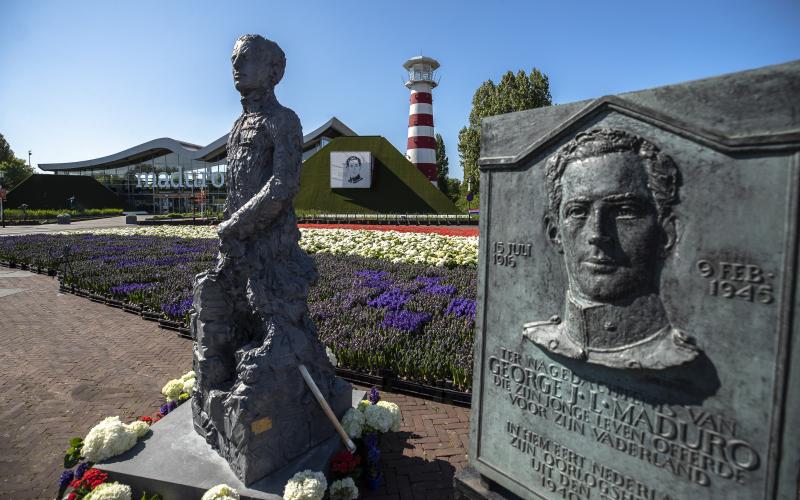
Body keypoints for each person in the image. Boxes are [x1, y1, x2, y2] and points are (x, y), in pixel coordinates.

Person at [523, 128, 700, 370]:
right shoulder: (536, 337)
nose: (597, 234)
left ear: (666, 234)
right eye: (578, 211)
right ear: (555, 234)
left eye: (625, 210)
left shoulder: (683, 359)